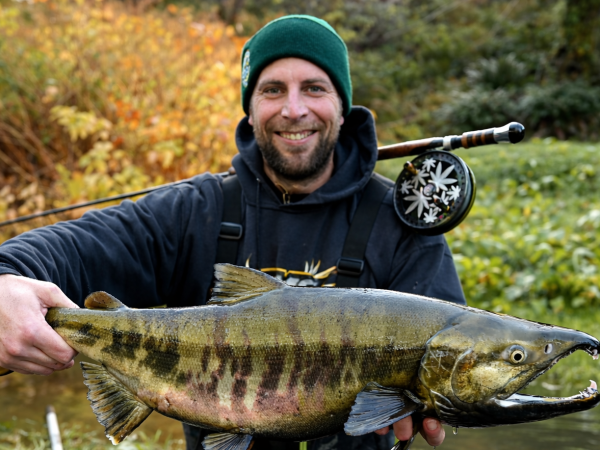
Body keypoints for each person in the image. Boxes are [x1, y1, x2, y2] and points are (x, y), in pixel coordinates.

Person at [0, 14, 465, 450]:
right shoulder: (193, 210)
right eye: (273, 90)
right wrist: (6, 279)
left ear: (343, 106)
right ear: (250, 107)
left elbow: (455, 344)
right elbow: (73, 249)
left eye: (315, 88)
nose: (294, 108)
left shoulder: (403, 222)